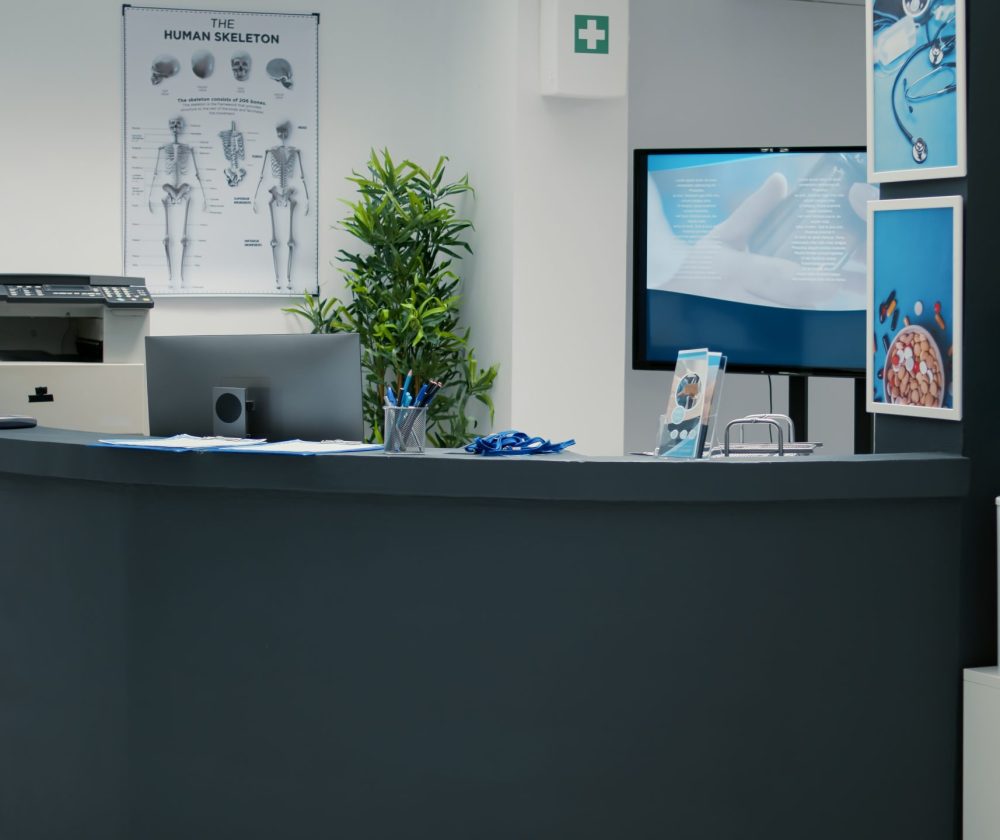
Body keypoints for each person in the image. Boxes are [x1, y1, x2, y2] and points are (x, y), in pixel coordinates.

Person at [148, 116, 207, 289]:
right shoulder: (163, 149)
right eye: (172, 125)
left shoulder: (187, 149)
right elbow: (155, 173)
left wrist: (203, 196)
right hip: (170, 190)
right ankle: (171, 276)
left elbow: (196, 172)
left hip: (182, 190)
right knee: (169, 236)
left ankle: (180, 276)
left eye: (177, 125)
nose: (175, 128)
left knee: (183, 235)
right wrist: (149, 199)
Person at [253, 121, 310, 291]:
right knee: (274, 240)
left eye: (285, 132)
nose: (282, 135)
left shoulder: (294, 152)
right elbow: (262, 175)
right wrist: (254, 197)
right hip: (275, 193)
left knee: (290, 240)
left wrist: (307, 199)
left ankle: (289, 278)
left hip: (290, 193)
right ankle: (278, 278)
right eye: (280, 132)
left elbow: (302, 176)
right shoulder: (270, 152)